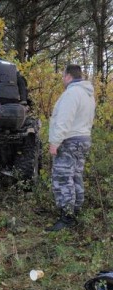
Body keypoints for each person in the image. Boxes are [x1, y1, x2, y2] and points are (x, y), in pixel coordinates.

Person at [46, 64, 95, 231]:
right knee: (75, 176)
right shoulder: (87, 93)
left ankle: (66, 218)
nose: (62, 79)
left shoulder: (72, 93)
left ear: (68, 76)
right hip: (83, 138)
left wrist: (55, 142)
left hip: (69, 140)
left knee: (62, 178)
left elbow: (64, 119)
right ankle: (75, 211)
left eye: (62, 76)